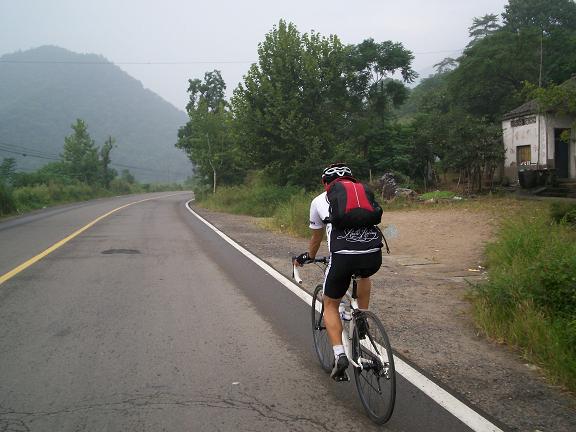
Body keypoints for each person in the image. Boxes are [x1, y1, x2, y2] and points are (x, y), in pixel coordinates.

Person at [294, 163, 383, 381]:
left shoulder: (318, 200)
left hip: (342, 257)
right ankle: (361, 315)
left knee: (330, 303)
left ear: (326, 183)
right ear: (352, 181)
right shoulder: (362, 195)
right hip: (373, 253)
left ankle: (339, 355)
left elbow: (316, 238)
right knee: (364, 274)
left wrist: (310, 256)